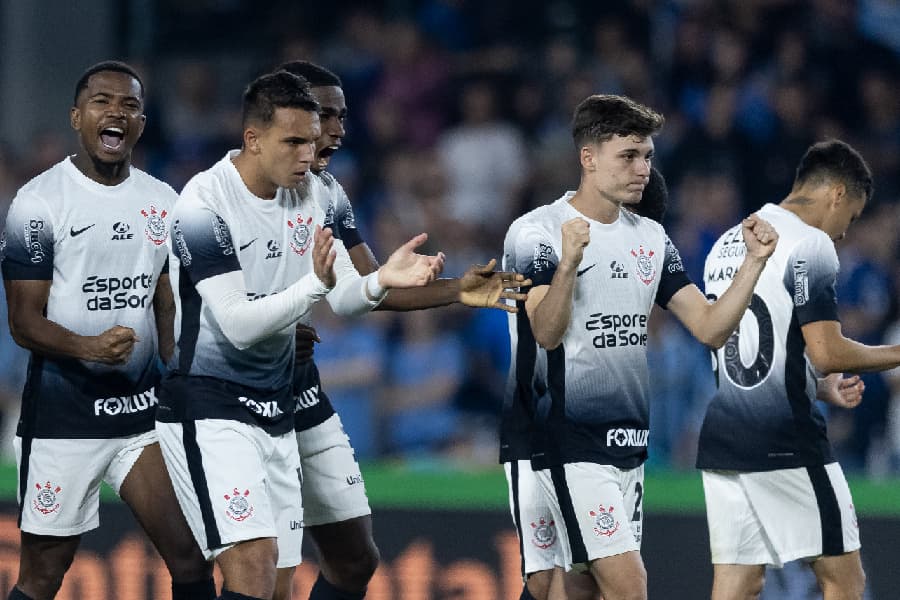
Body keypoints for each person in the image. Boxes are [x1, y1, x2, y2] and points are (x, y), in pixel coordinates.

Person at [154, 70, 443, 600]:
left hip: (277, 406)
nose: (308, 155)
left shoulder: (321, 192)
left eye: (312, 141)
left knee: (280, 585)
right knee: (254, 567)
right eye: (292, 142)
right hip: (209, 404)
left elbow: (347, 295)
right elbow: (238, 325)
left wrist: (385, 279)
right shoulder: (203, 205)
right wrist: (314, 284)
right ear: (253, 139)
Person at [502, 94, 778, 600]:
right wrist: (568, 265)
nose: (642, 168)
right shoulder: (536, 231)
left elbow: (711, 327)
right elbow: (544, 331)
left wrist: (754, 265)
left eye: (647, 156)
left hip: (626, 441)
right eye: (628, 155)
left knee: (577, 589)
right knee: (626, 587)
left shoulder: (650, 237)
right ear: (588, 157)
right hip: (558, 435)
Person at [276, 60, 528, 600]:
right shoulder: (219, 196)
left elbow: (371, 287)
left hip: (299, 391)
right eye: (325, 115)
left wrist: (460, 289)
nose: (339, 129)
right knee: (260, 565)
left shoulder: (329, 195)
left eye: (344, 116)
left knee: (354, 561)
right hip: (233, 395)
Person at [0, 61, 215, 600]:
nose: (116, 111)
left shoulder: (164, 201)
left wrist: (175, 365)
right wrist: (90, 346)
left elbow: (167, 297)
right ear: (77, 116)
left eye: (130, 105)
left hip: (138, 415)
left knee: (190, 558)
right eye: (101, 101)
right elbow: (24, 322)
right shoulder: (37, 202)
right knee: (44, 576)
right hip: (63, 417)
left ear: (142, 122)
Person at [698, 139, 898, 600]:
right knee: (844, 579)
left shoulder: (731, 241)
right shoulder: (811, 244)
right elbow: (827, 350)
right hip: (785, 439)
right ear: (836, 195)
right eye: (850, 218)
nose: (845, 234)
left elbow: (751, 345)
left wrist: (816, 385)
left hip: (725, 436)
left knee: (737, 584)